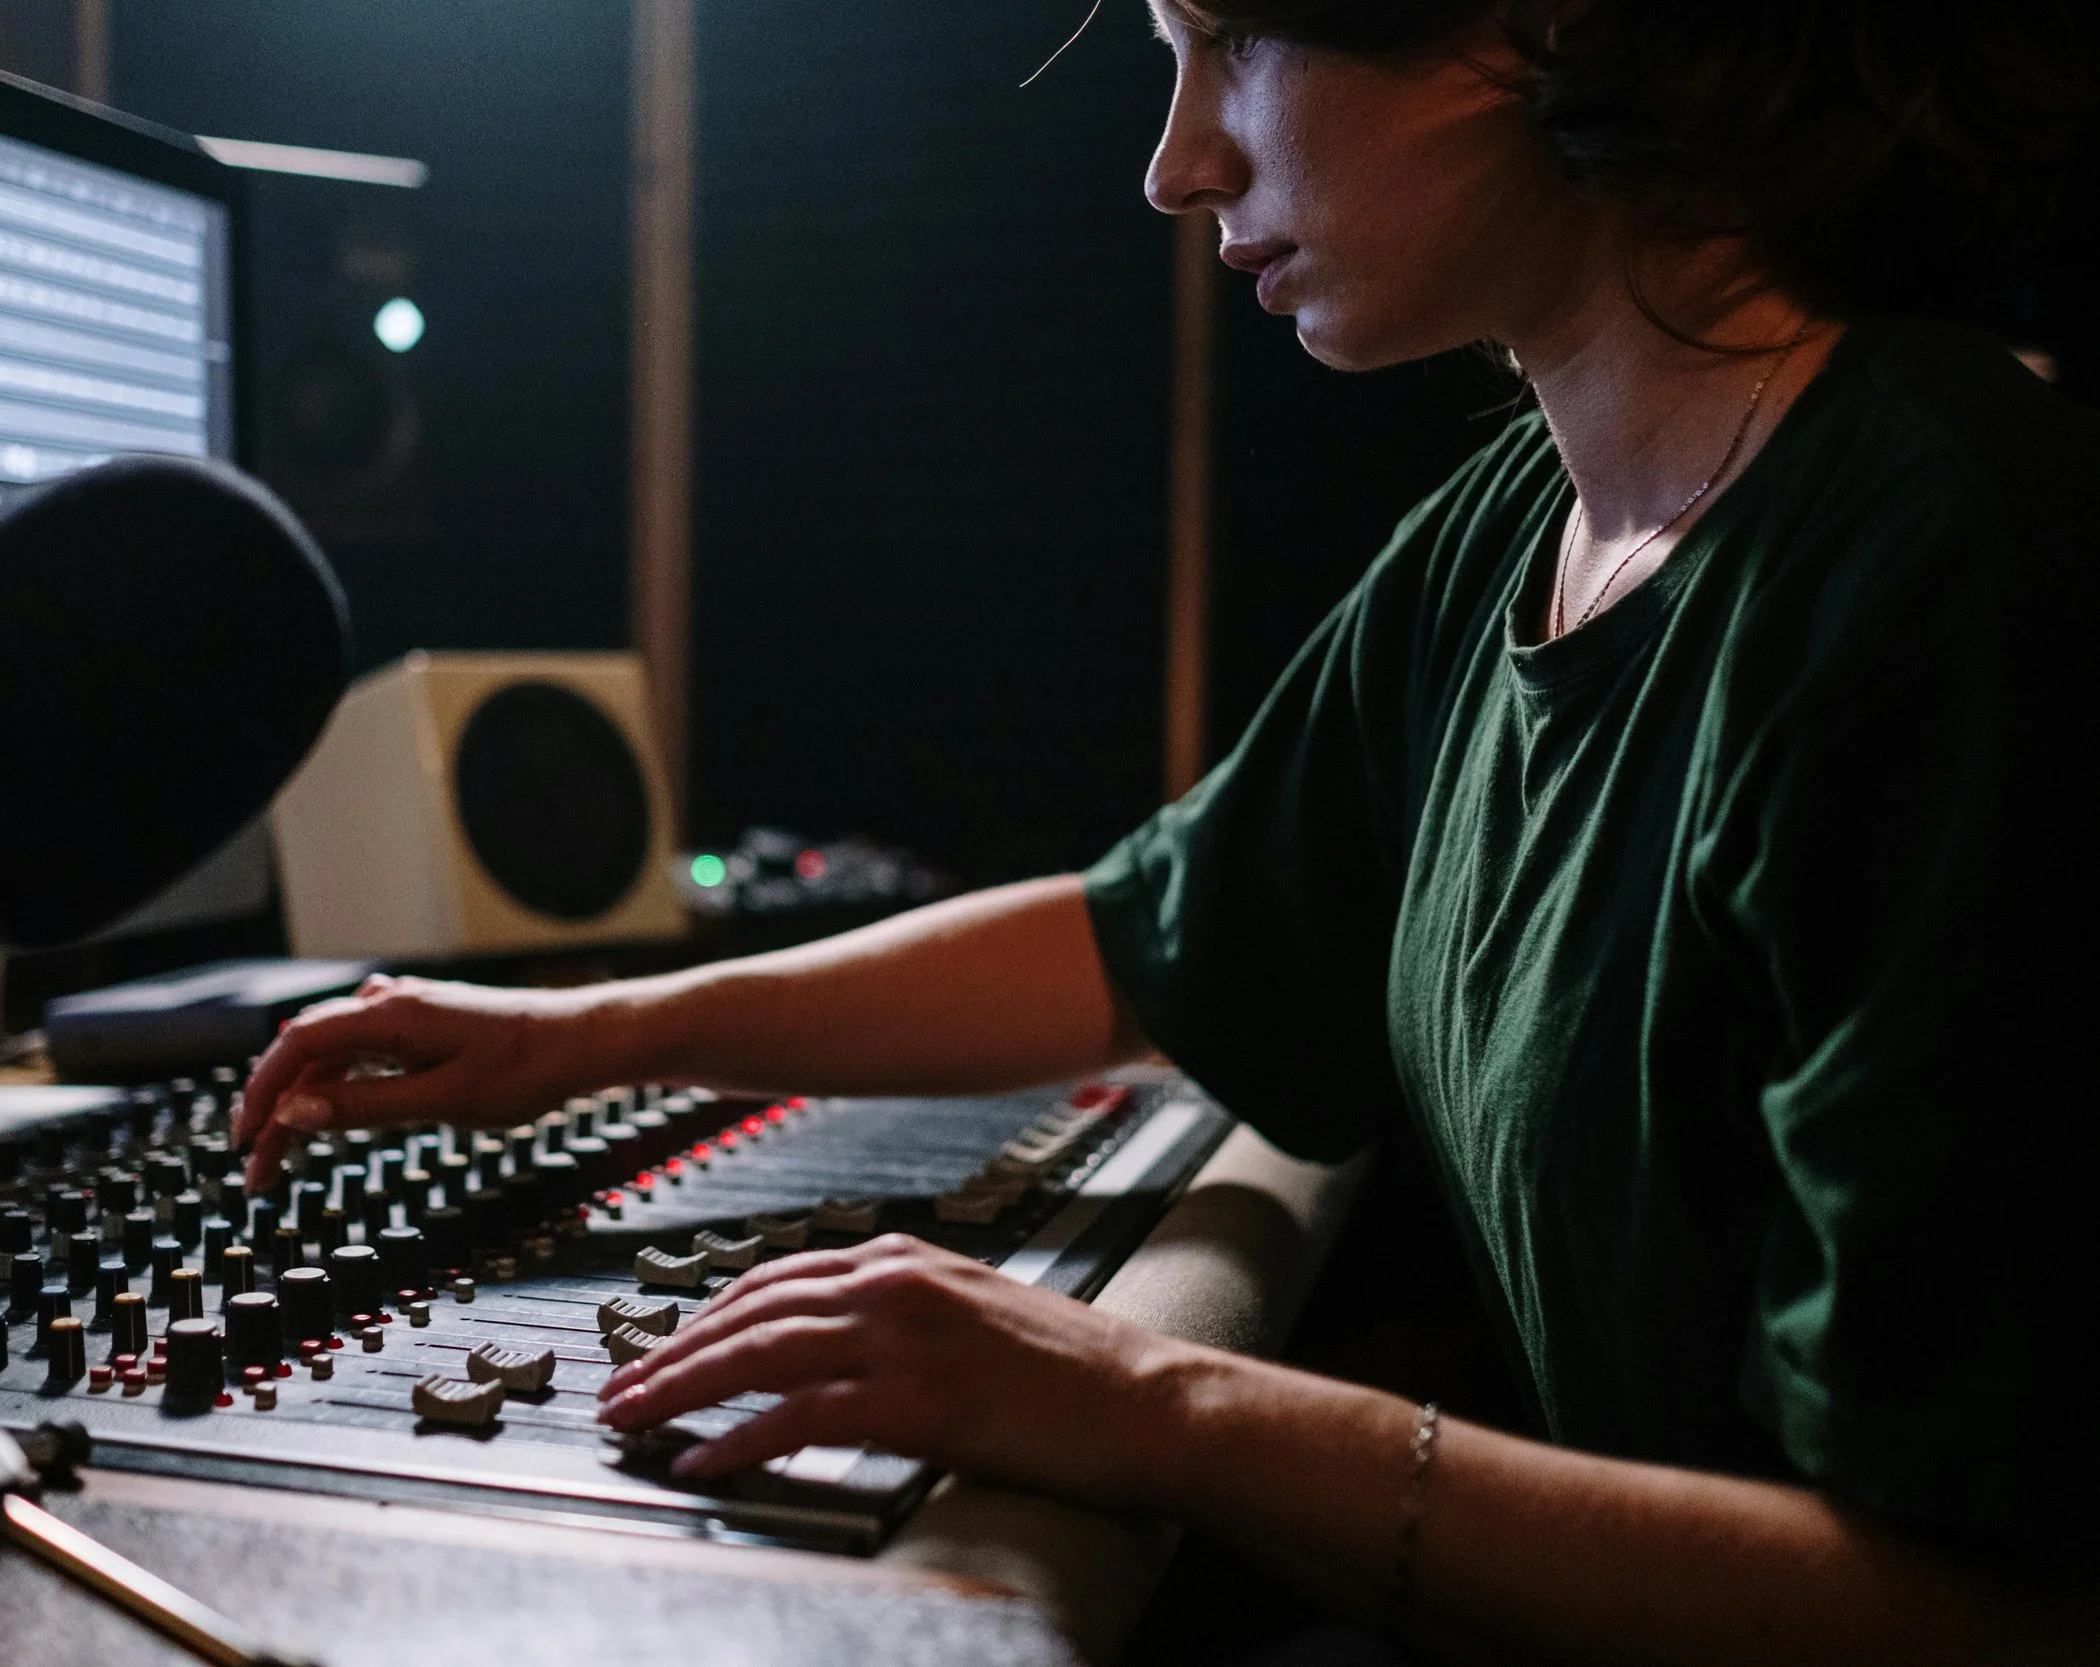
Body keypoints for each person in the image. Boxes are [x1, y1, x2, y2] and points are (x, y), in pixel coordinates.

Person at [233, 1, 2099, 1657]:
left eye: (1233, 47)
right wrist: (596, 1038)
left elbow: (1970, 1607)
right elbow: (1141, 941)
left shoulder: (1944, 571)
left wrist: (1157, 1406)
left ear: (1538, 31)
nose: (1173, 163)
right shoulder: (1513, 532)